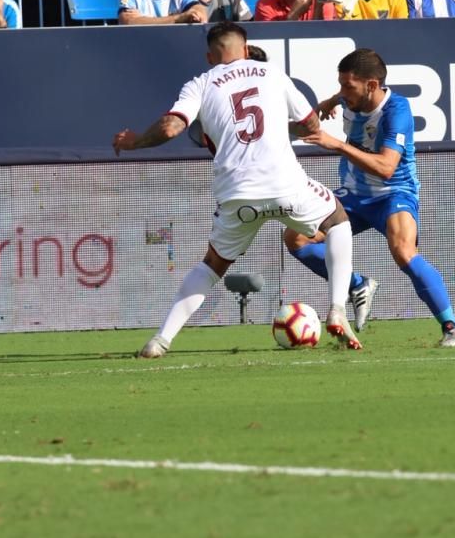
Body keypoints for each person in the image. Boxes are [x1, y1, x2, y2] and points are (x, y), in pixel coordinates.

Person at [113, 22, 361, 356]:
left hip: (237, 194)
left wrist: (135, 142)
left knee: (213, 264)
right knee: (337, 221)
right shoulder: (270, 72)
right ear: (245, 50)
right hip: (286, 185)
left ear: (210, 56)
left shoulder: (200, 83)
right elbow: (310, 125)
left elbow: (171, 128)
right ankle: (337, 309)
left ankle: (160, 341)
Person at [282, 49, 455, 348]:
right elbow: (337, 99)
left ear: (371, 85)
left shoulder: (397, 110)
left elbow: (386, 168)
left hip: (393, 193)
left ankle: (453, 329)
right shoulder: (349, 98)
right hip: (353, 195)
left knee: (404, 251)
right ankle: (359, 285)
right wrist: (328, 103)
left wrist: (337, 145)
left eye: (348, 86)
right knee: (295, 238)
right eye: (341, 85)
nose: (343, 92)